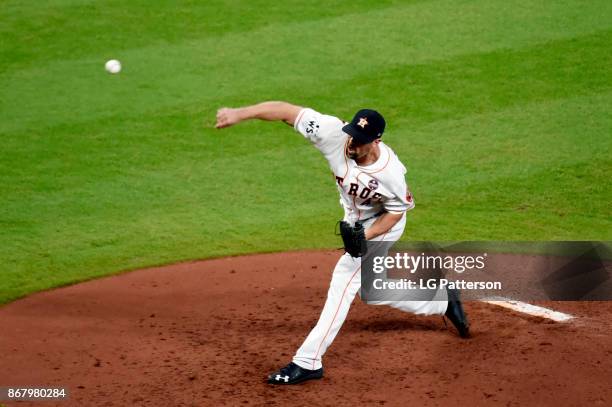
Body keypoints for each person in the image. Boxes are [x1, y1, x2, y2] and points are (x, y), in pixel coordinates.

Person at [215, 101, 469, 385]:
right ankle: (443, 301)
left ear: (375, 141)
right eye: (352, 135)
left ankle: (308, 361)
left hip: (381, 226)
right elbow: (287, 112)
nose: (352, 144)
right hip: (354, 220)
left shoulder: (391, 173)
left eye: (360, 141)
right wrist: (240, 114)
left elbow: (397, 212)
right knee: (373, 292)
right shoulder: (334, 133)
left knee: (343, 282)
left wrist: (365, 237)